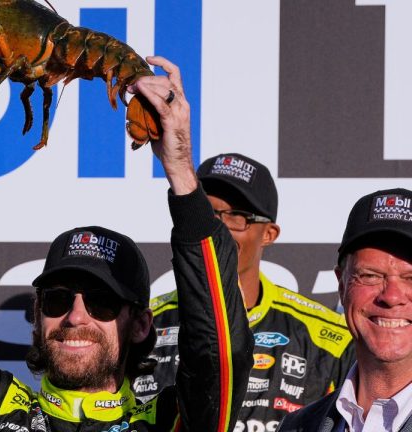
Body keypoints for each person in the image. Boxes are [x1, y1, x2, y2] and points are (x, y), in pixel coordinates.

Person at [0, 7, 253, 431]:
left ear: (141, 323)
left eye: (102, 303)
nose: (76, 317)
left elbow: (220, 351)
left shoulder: (171, 422)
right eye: (58, 301)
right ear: (37, 316)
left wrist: (182, 171)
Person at [134, 154, 355, 430]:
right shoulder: (144, 328)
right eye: (207, 214)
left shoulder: (331, 338)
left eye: (237, 216)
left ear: (269, 234)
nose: (218, 228)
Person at [279, 188, 412, 431]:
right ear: (342, 284)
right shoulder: (297, 426)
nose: (392, 297)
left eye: (411, 278)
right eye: (370, 275)